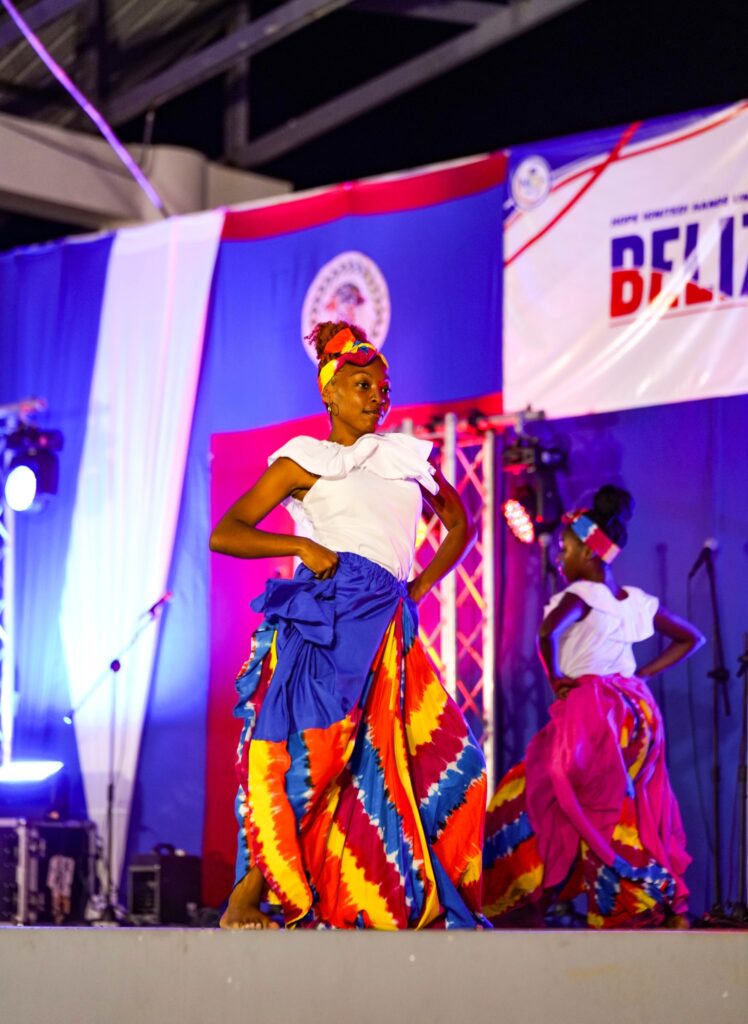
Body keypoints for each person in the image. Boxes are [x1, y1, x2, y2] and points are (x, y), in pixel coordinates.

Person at [210, 321, 488, 930]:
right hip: (327, 620)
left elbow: (460, 524)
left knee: (448, 762)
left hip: (387, 625)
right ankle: (244, 898)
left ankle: (383, 892)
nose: (375, 397)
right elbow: (227, 532)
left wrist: (416, 586)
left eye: (382, 388)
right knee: (316, 757)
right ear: (329, 392)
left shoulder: (404, 459)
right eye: (361, 384)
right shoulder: (306, 461)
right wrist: (300, 547)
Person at [483, 485, 705, 928]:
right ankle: (648, 901)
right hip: (637, 712)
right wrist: (641, 677)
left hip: (594, 710)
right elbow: (690, 638)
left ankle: (545, 900)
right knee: (628, 805)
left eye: (565, 548)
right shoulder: (635, 602)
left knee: (547, 797)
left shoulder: (580, 595)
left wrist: (556, 679)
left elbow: (546, 633)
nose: (560, 559)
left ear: (587, 549)